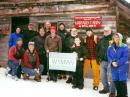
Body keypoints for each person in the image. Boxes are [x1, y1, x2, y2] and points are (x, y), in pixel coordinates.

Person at [97, 26, 116, 97]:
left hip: (111, 61)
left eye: (107, 31)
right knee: (102, 76)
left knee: (111, 77)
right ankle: (106, 88)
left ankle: (112, 91)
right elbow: (97, 49)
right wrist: (97, 58)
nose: (105, 32)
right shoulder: (101, 40)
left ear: (111, 31)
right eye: (104, 30)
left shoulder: (114, 39)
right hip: (103, 61)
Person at [107, 33, 128, 97]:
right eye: (115, 37)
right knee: (116, 81)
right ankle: (119, 95)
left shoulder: (124, 46)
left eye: (118, 37)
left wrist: (117, 63)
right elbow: (108, 56)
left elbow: (125, 57)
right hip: (113, 67)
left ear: (121, 38)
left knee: (122, 81)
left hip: (122, 66)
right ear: (113, 38)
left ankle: (124, 95)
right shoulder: (110, 47)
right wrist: (112, 62)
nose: (116, 38)